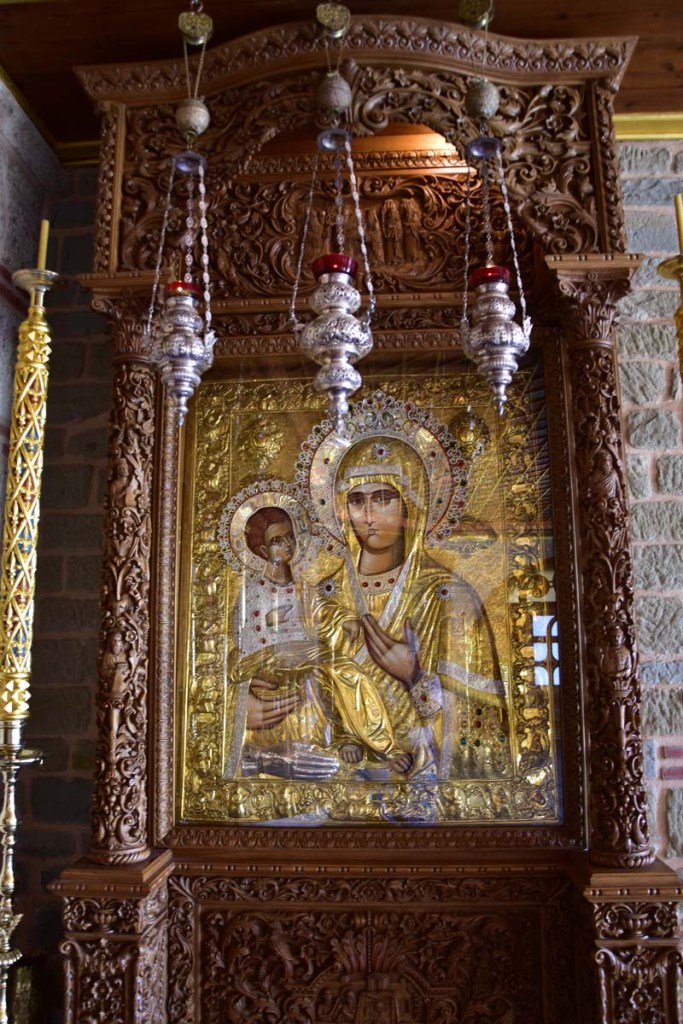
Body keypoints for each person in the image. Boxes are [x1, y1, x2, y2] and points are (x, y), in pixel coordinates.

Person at [309, 435, 510, 780]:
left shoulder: (450, 596)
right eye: (356, 501)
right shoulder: (321, 598)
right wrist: (340, 738)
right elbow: (308, 700)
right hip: (342, 776)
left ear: (409, 506)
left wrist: (414, 676)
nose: (368, 516)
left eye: (382, 499)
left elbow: (480, 727)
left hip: (423, 779)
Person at [227, 506, 414, 777]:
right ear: (263, 551)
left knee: (337, 669)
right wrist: (269, 623)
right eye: (277, 541)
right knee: (341, 671)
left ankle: (350, 736)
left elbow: (322, 611)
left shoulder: (301, 587)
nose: (287, 544)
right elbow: (243, 635)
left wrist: (345, 620)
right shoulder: (255, 590)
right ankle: (384, 747)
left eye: (290, 536)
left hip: (303, 653)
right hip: (269, 657)